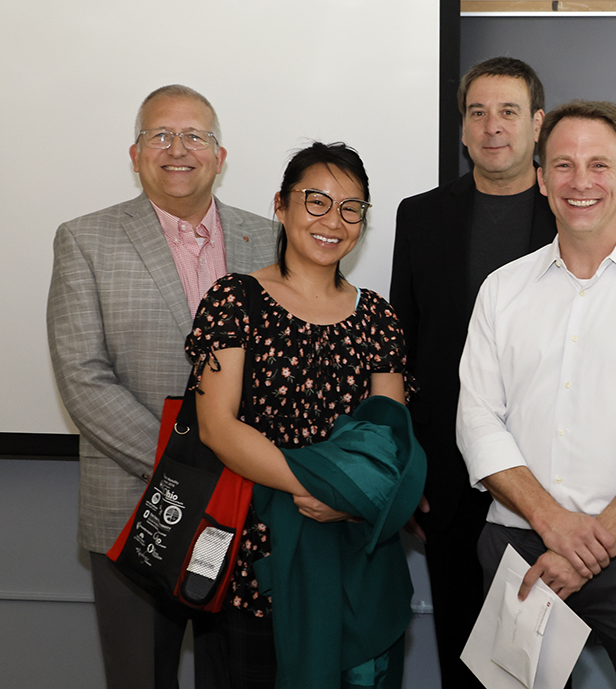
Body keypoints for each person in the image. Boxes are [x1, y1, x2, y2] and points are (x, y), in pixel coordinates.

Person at [457, 100, 616, 688]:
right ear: (542, 178)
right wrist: (554, 523)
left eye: (599, 165)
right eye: (564, 165)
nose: (581, 182)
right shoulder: (502, 291)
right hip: (522, 546)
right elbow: (477, 421)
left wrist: (587, 542)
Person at [47, 85, 277, 689]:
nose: (178, 149)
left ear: (220, 157)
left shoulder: (269, 241)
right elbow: (82, 377)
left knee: (240, 678)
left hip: (249, 516)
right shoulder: (84, 240)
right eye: (160, 135)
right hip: (132, 509)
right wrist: (188, 469)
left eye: (195, 136)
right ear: (135, 152)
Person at [186, 142, 423, 688]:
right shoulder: (235, 300)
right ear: (281, 205)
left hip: (355, 551)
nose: (332, 221)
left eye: (351, 208)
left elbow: (391, 440)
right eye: (315, 201)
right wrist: (320, 488)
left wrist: (343, 502)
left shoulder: (377, 317)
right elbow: (218, 427)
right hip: (255, 557)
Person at [389, 56, 556, 687]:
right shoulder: (421, 215)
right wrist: (406, 472)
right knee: (463, 653)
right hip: (447, 480)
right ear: (461, 129)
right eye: (477, 112)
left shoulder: (572, 209)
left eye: (509, 111)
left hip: (548, 482)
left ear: (537, 124)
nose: (493, 127)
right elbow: (399, 349)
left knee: (536, 666)